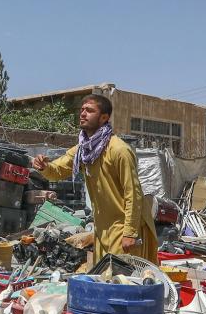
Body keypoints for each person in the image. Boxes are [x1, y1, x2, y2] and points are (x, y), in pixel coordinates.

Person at [33, 94, 158, 264]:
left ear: (104, 117)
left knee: (121, 280)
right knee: (104, 277)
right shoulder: (83, 150)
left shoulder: (119, 150)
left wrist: (129, 233)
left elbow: (133, 194)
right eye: (82, 110)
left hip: (122, 227)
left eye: (90, 110)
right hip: (102, 228)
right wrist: (44, 167)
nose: (83, 113)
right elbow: (58, 170)